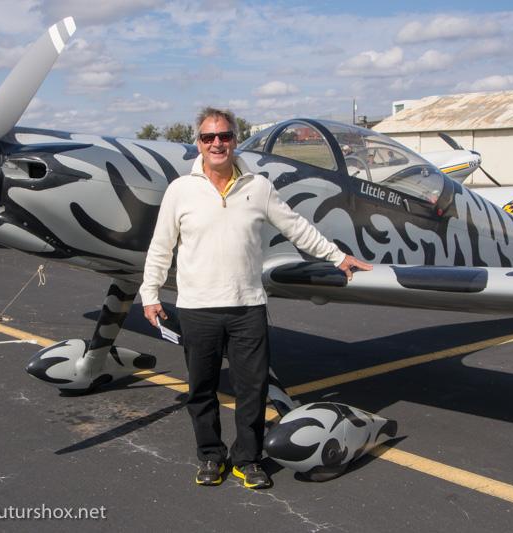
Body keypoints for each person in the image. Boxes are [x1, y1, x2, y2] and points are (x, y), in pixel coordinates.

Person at [139, 107, 371, 489]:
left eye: (225, 136)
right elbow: (161, 247)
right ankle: (210, 456)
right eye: (209, 137)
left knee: (253, 389)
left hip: (247, 306)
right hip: (197, 309)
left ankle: (248, 459)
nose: (217, 143)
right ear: (199, 143)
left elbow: (296, 227)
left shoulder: (258, 187)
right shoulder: (180, 190)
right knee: (201, 390)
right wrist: (150, 293)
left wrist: (337, 257)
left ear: (234, 139)